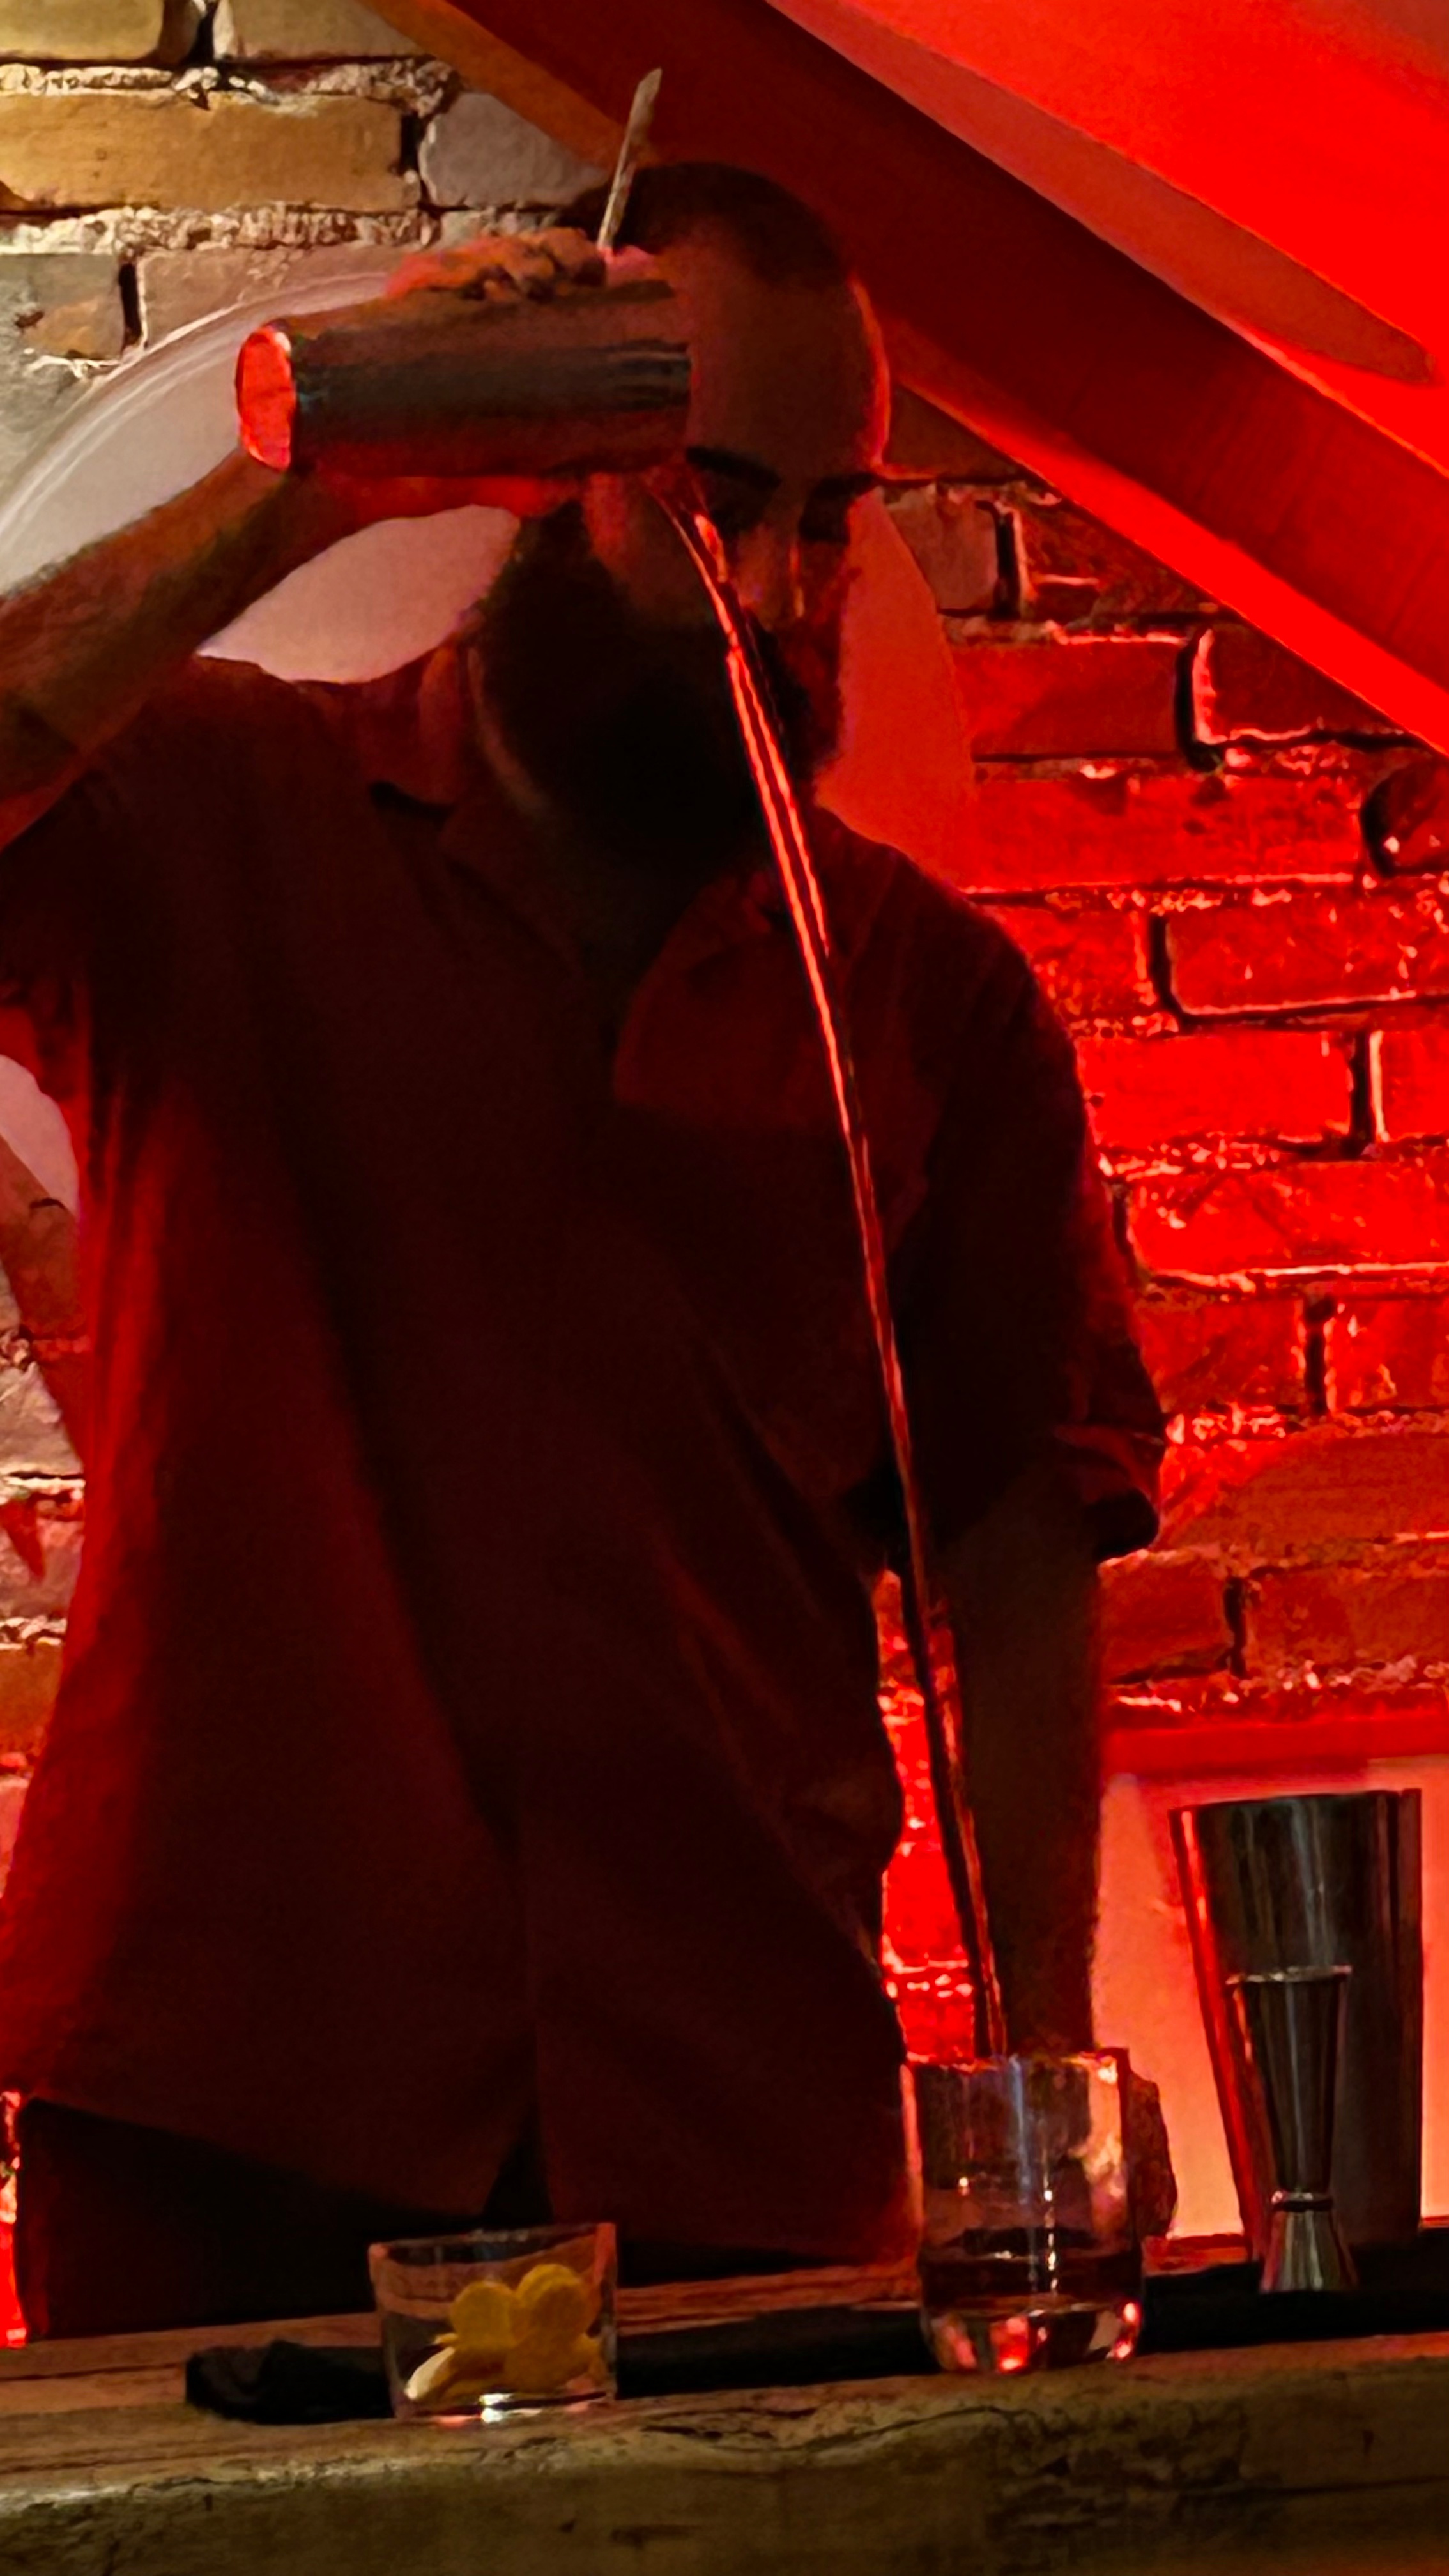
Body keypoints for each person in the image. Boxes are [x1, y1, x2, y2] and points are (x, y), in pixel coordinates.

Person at [0, 165, 1163, 2337]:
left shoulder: (924, 1002)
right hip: (234, 2089)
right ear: (549, 474)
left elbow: (1019, 1549)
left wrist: (1036, 2076)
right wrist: (310, 480)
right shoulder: (224, 819)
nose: (782, 588)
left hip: (725, 2106)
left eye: (830, 518)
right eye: (714, 501)